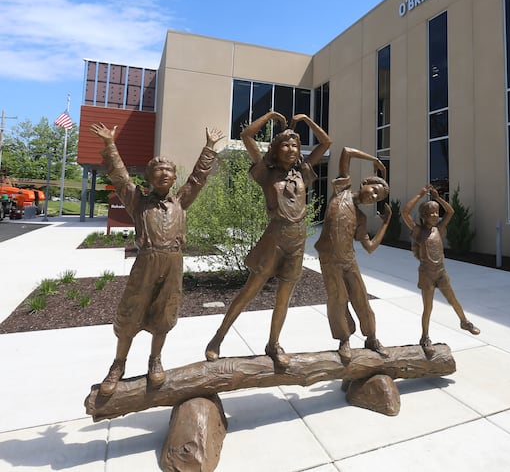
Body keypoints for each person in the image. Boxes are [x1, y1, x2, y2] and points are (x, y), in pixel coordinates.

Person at [90, 122, 224, 395]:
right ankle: (118, 364)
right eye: (158, 170)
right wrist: (110, 145)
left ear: (174, 177)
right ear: (149, 177)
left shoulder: (181, 202)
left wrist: (209, 148)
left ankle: (155, 360)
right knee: (131, 312)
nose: (164, 173)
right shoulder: (137, 201)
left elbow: (198, 179)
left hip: (173, 263)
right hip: (146, 263)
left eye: (169, 170)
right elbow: (120, 178)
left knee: (165, 312)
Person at [205, 111, 331, 367]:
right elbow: (246, 135)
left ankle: (273, 343)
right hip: (274, 238)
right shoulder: (266, 172)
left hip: (297, 240)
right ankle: (218, 338)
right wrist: (271, 115)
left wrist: (306, 122)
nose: (291, 149)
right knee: (249, 291)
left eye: (295, 145)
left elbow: (326, 143)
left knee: (284, 297)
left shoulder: (302, 172)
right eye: (285, 144)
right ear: (275, 149)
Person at [314, 147, 391, 363]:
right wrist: (374, 158)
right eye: (374, 191)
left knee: (361, 299)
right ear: (364, 184)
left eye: (378, 197)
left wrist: (385, 224)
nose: (373, 197)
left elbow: (369, 246)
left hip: (349, 261)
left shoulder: (361, 218)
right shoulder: (342, 189)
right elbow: (346, 152)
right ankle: (344, 340)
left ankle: (372, 337)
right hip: (329, 260)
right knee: (337, 300)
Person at [401, 184, 480, 356]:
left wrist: (437, 198)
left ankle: (464, 322)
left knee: (453, 299)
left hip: (441, 272)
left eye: (436, 212)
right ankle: (425, 337)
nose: (435, 215)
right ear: (423, 216)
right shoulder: (418, 231)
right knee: (428, 308)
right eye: (431, 213)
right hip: (427, 274)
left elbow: (450, 211)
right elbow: (405, 213)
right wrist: (420, 194)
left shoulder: (439, 229)